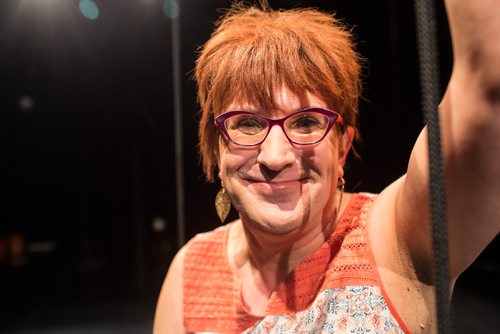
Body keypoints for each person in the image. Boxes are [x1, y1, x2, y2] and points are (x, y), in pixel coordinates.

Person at [154, 0, 499, 332]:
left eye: (306, 123)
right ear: (217, 146)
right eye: (247, 123)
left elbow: (490, 87)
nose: (275, 157)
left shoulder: (399, 237)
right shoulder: (190, 271)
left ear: (343, 146)